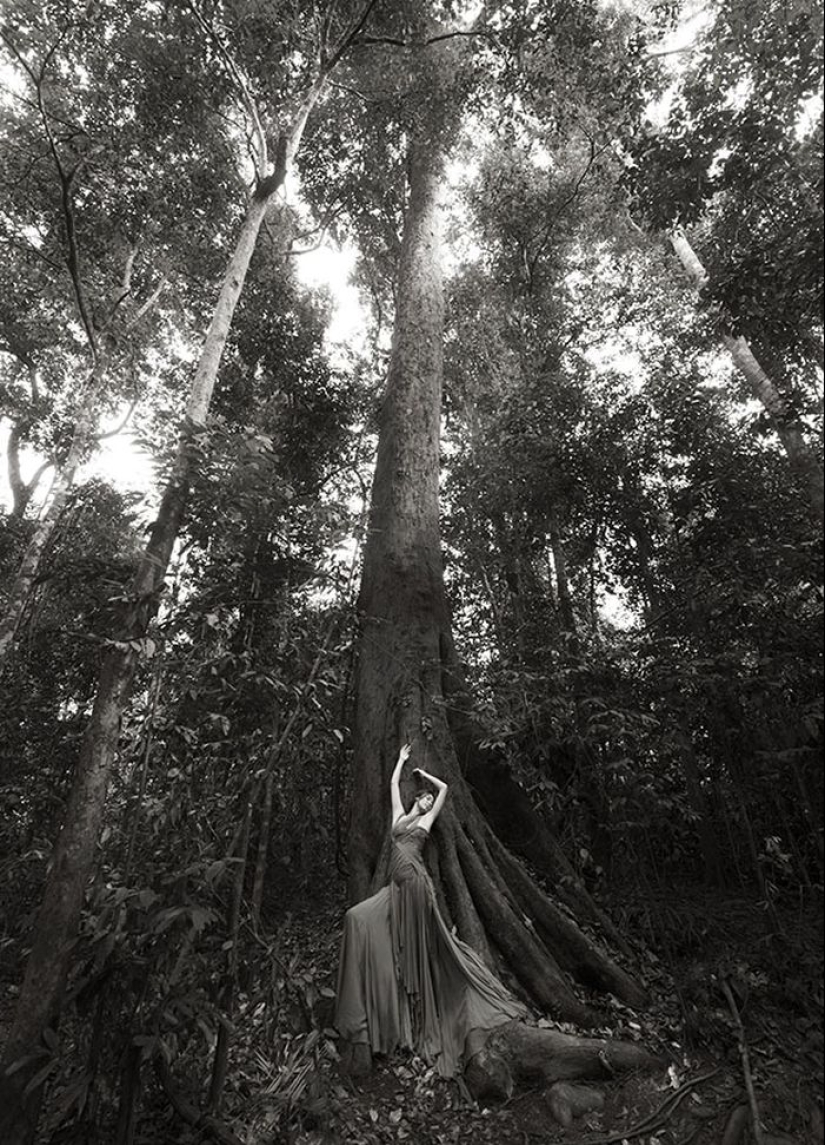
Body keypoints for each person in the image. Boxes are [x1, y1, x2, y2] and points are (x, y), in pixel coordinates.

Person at [335, 742, 526, 1078]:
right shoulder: (400, 816)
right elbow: (393, 785)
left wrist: (428, 777)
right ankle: (364, 1010)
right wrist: (401, 761)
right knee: (356, 917)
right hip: (393, 891)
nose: (425, 802)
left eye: (427, 801)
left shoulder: (426, 821)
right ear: (414, 799)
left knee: (415, 950)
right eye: (422, 798)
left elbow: (446, 789)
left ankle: (414, 1015)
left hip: (417, 890)